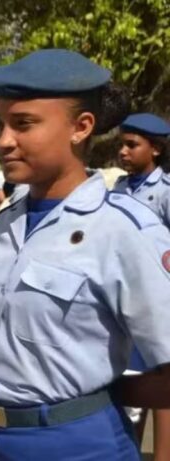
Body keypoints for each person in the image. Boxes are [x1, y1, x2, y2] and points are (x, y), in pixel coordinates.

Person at [0, 48, 170, 461]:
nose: (3, 141)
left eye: (23, 124)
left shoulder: (125, 230)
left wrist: (108, 394)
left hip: (78, 444)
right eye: (0, 123)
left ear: (81, 127)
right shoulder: (4, 224)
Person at [113, 112, 170, 459]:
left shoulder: (165, 192)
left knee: (160, 376)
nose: (123, 151)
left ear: (156, 150)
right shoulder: (118, 187)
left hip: (159, 298)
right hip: (124, 296)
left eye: (132, 145)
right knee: (129, 377)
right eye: (122, 144)